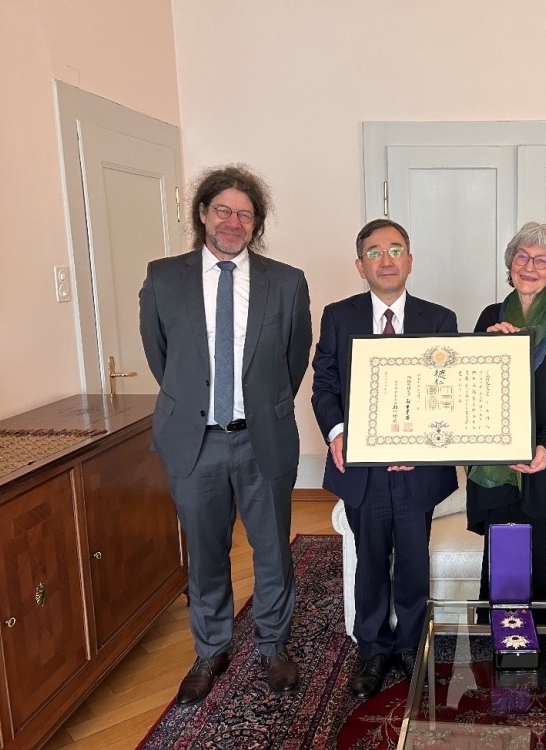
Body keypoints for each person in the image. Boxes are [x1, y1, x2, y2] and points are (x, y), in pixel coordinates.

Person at [139, 164, 312, 705]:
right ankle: (210, 649)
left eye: (245, 214)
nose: (233, 222)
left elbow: (294, 358)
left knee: (272, 549)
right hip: (196, 443)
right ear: (202, 214)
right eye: (223, 210)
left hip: (264, 438)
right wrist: (194, 404)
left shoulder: (286, 281)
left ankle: (273, 646)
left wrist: (263, 406)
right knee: (206, 550)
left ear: (256, 223)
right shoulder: (164, 278)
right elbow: (161, 357)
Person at [311, 219, 458, 700]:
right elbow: (325, 385)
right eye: (374, 252)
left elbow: (448, 395)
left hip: (419, 470)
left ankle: (412, 644)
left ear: (410, 260)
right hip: (363, 469)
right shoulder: (338, 316)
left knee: (414, 558)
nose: (387, 259)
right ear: (360, 266)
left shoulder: (440, 320)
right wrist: (338, 433)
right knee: (370, 560)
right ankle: (373, 649)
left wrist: (421, 445)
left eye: (396, 250)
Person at [467, 222, 546, 691]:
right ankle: (513, 647)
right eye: (522, 256)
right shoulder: (489, 316)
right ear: (510, 264)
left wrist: (545, 445)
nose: (531, 266)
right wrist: (489, 348)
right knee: (509, 556)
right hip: (499, 469)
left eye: (542, 260)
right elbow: (469, 390)